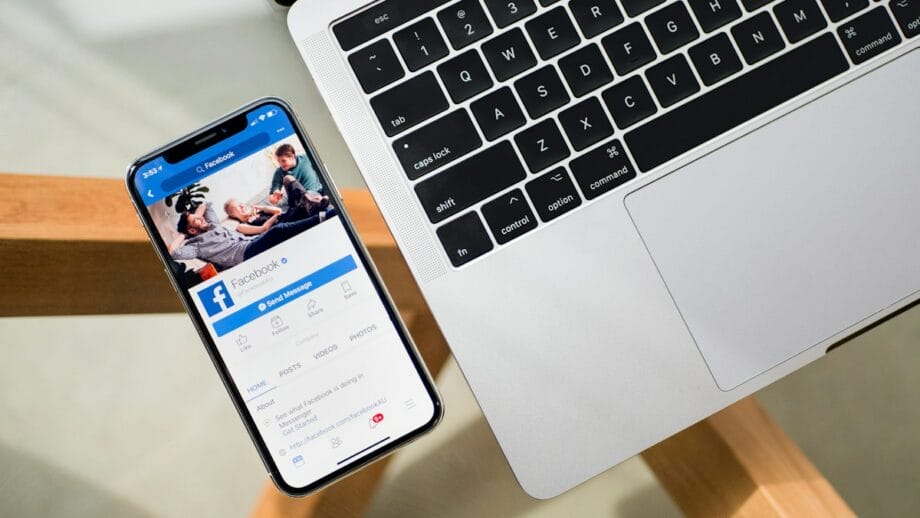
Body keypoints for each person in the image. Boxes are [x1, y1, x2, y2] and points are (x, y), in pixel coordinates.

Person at [168, 201, 325, 269]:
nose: (201, 218)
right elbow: (173, 252)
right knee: (279, 230)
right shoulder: (195, 246)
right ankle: (321, 217)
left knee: (285, 226)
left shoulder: (213, 225)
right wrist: (183, 233)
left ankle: (319, 214)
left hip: (251, 242)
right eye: (196, 221)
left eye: (199, 217)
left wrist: (195, 217)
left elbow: (205, 205)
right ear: (192, 231)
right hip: (243, 254)